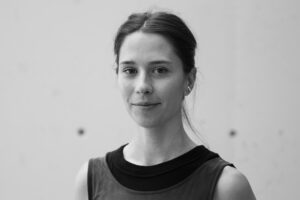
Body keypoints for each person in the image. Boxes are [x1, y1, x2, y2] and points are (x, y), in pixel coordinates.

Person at [75, 11, 256, 200]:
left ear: (190, 79)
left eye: (160, 70)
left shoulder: (226, 186)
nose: (143, 86)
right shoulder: (90, 180)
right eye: (130, 70)